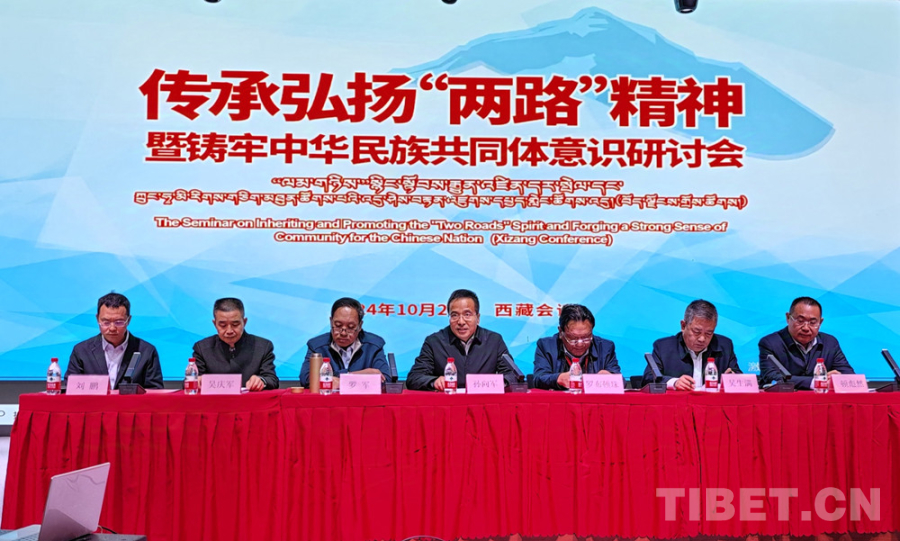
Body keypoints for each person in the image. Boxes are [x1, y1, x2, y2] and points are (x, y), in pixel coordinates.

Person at [406, 289, 515, 391]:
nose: (461, 322)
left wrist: (495, 383)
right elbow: (414, 377)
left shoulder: (494, 341)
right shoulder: (434, 342)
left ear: (478, 318)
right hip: (448, 402)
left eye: (467, 314)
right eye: (454, 315)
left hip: (483, 401)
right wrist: (434, 382)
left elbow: (512, 375)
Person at [65, 292, 164, 390]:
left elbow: (155, 391)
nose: (112, 328)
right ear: (97, 319)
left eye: (119, 322)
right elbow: (70, 389)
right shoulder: (82, 351)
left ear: (128, 320)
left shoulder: (146, 351)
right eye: (106, 322)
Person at [643, 299, 741, 391]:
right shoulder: (663, 347)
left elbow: (738, 376)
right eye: (696, 332)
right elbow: (648, 379)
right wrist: (674, 382)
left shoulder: (724, 346)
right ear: (683, 326)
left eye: (709, 333)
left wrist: (733, 378)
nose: (702, 339)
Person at [758, 296, 854, 390]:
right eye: (800, 321)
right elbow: (772, 377)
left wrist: (838, 378)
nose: (806, 328)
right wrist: (815, 382)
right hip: (784, 399)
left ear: (820, 322)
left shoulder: (830, 343)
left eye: (812, 323)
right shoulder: (771, 343)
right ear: (788, 318)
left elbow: (849, 376)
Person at [299, 297, 390, 389]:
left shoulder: (374, 345)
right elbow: (306, 379)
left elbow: (386, 380)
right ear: (331, 322)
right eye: (338, 325)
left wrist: (337, 380)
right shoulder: (317, 346)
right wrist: (351, 377)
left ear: (360, 326)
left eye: (350, 327)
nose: (343, 333)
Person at [192, 297, 279, 391]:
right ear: (215, 324)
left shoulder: (263, 347)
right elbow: (188, 382)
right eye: (223, 325)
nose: (229, 331)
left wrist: (261, 380)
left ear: (244, 322)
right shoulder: (202, 348)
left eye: (235, 324)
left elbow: (272, 379)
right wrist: (196, 381)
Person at [532, 304, 620, 390]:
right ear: (561, 332)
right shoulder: (546, 346)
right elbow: (538, 379)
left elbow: (621, 381)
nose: (580, 344)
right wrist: (558, 378)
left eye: (586, 337)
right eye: (573, 338)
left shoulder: (605, 347)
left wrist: (611, 378)